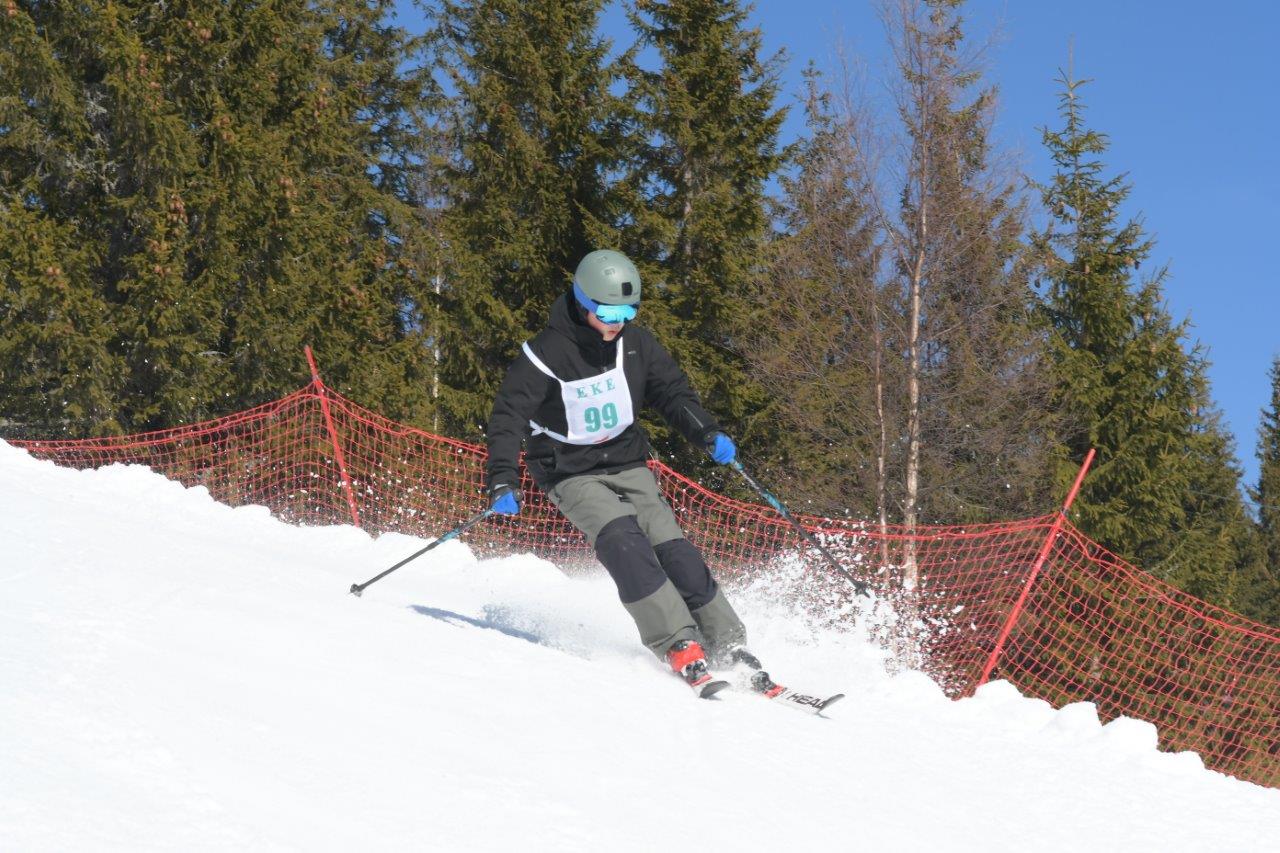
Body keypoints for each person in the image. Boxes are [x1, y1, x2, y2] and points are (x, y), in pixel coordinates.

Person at [484, 249, 762, 692]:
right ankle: (678, 642)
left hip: (626, 459)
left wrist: (706, 432)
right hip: (568, 469)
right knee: (623, 541)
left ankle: (727, 640)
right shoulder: (544, 354)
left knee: (674, 548)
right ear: (583, 302)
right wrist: (502, 477)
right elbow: (507, 418)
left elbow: (672, 392)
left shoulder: (636, 344)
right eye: (609, 313)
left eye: (628, 312)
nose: (618, 322)